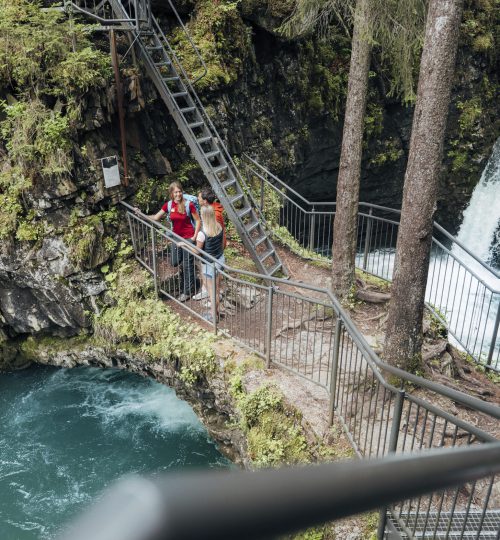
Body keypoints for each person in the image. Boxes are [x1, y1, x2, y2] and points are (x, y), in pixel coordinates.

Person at [134, 181, 201, 302]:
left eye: (180, 191)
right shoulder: (169, 205)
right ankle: (189, 276)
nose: (178, 194)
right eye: (175, 192)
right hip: (175, 238)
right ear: (171, 193)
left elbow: (198, 220)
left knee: (187, 264)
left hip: (188, 238)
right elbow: (155, 217)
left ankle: (187, 291)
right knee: (175, 262)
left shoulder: (189, 205)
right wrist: (141, 215)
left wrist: (194, 237)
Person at [193, 187, 226, 301]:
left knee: (212, 276)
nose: (197, 198)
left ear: (205, 201)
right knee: (211, 273)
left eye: (199, 197)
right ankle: (208, 291)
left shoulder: (213, 215)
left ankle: (214, 295)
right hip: (216, 250)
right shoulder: (211, 210)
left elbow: (212, 234)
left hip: (213, 251)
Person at [196, 205, 225, 321]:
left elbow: (197, 251)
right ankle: (215, 313)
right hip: (219, 260)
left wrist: (184, 244)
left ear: (203, 216)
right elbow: (222, 244)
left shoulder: (202, 233)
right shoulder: (218, 226)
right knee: (216, 290)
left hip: (208, 264)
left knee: (211, 292)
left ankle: (214, 316)